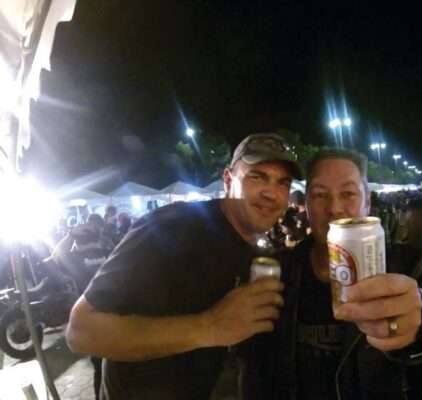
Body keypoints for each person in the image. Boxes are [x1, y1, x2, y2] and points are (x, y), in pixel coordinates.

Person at [66, 133, 302, 399]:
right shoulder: (172, 227)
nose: (271, 193)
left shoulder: (255, 253)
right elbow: (80, 330)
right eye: (256, 177)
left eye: (282, 182)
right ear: (228, 180)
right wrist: (208, 327)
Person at [273, 148, 422, 400]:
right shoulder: (281, 271)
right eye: (320, 195)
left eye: (348, 193)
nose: (335, 207)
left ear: (367, 202)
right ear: (306, 205)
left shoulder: (408, 263)